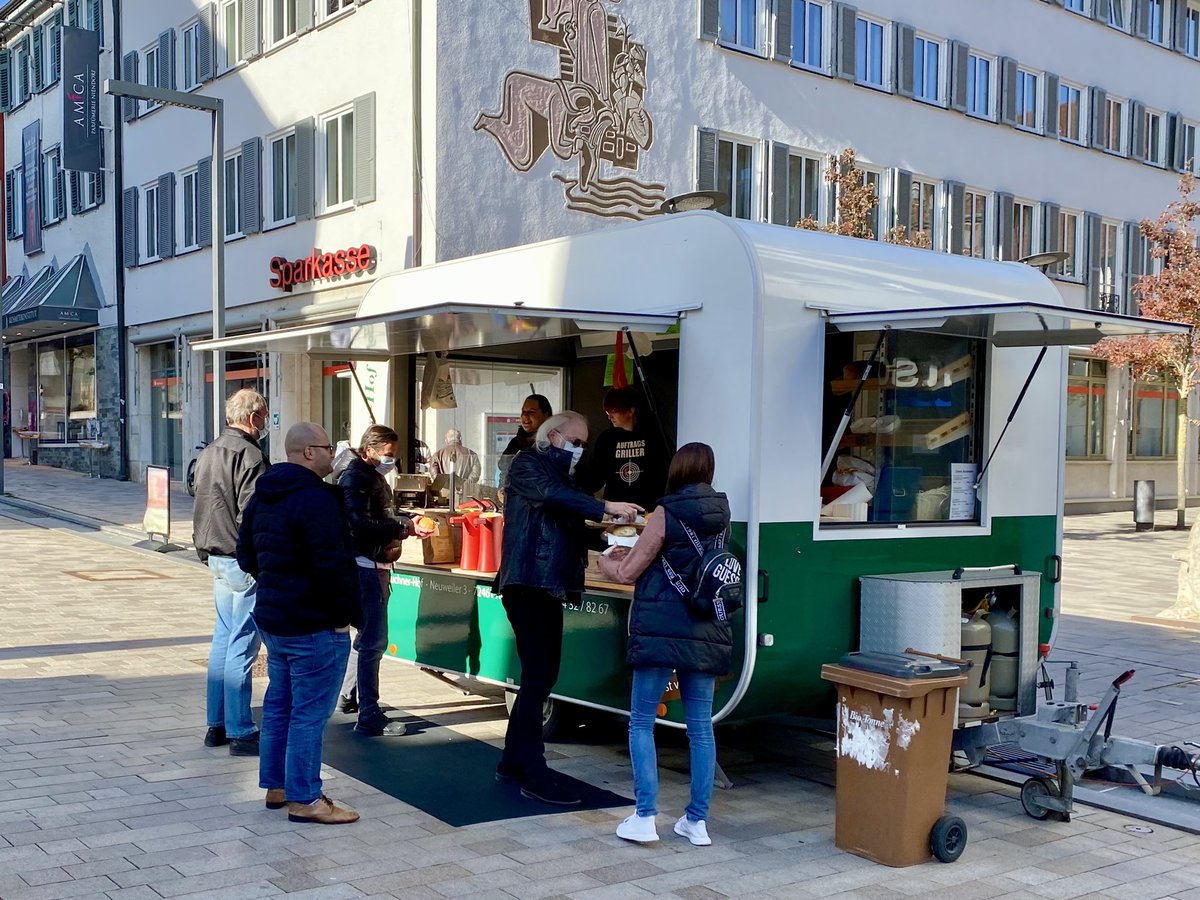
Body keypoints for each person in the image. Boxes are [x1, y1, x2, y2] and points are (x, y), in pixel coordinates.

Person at [494, 410, 642, 805]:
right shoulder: (529, 465)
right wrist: (606, 507)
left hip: (546, 585)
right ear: (554, 436)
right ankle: (534, 770)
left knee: (539, 676)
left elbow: (569, 523)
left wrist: (608, 538)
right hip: (529, 583)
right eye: (575, 441)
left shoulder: (561, 476)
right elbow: (554, 498)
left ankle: (513, 760)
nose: (579, 449)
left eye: (583, 443)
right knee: (540, 676)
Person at [598, 442, 733, 847]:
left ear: (676, 470)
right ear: (709, 470)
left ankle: (644, 817)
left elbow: (627, 572)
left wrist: (608, 557)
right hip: (706, 626)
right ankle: (697, 821)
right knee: (700, 729)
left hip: (661, 625)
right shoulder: (723, 513)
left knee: (641, 721)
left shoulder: (665, 512)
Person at [236, 423, 362, 825]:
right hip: (313, 622)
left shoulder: (264, 494)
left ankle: (278, 785)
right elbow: (334, 566)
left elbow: (245, 555)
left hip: (276, 617)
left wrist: (277, 580)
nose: (334, 454)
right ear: (309, 452)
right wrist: (346, 617)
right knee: (308, 711)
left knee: (280, 703)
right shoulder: (316, 500)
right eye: (328, 447)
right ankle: (305, 797)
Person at [337, 424, 433, 736]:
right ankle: (369, 714)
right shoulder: (357, 478)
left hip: (372, 562)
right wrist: (403, 528)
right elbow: (360, 523)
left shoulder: (369, 476)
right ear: (369, 451)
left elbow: (378, 513)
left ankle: (350, 696)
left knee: (366, 638)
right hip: (366, 565)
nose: (392, 460)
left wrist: (404, 520)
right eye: (388, 455)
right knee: (373, 640)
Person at [192, 388, 270, 756]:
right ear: (253, 417)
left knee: (223, 641)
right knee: (241, 643)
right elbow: (254, 515)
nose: (266, 423)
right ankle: (240, 729)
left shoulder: (209, 451)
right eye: (265, 415)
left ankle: (217, 723)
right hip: (241, 559)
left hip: (215, 554)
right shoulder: (250, 454)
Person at [577, 387, 669, 511]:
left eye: (614, 411)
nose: (610, 417)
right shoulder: (606, 439)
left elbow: (665, 473)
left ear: (631, 410)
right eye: (607, 413)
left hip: (649, 509)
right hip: (616, 510)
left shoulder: (655, 437)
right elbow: (594, 476)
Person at [498, 394, 552, 495]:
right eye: (523, 411)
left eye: (531, 412)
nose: (525, 416)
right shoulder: (515, 442)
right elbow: (504, 470)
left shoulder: (553, 442)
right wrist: (502, 489)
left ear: (546, 415)